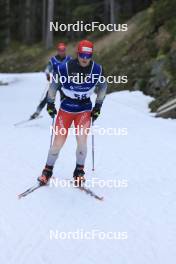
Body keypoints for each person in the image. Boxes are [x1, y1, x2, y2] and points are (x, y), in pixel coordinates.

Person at [37, 40, 107, 186]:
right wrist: (50, 103)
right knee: (57, 143)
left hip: (84, 109)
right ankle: (47, 171)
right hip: (66, 109)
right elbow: (54, 85)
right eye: (82, 54)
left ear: (91, 55)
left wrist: (98, 106)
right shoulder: (65, 68)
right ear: (78, 53)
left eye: (88, 55)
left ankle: (79, 172)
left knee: (82, 142)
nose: (85, 58)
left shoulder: (97, 69)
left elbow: (103, 86)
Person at [30, 42, 72, 119]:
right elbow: (47, 69)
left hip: (65, 83)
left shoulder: (69, 59)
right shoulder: (53, 60)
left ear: (65, 50)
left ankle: (67, 116)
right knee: (48, 98)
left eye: (63, 50)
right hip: (55, 82)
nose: (62, 52)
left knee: (65, 100)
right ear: (58, 51)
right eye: (60, 50)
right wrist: (47, 75)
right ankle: (37, 112)